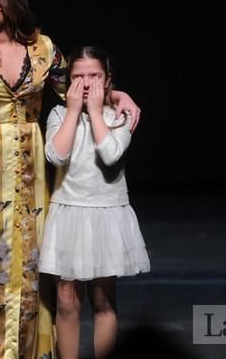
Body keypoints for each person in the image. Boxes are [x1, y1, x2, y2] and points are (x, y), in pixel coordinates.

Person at [0, 0, 141, 359]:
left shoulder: (43, 50)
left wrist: (116, 94)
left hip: (31, 175)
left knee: (31, 271)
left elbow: (74, 87)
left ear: (10, 1)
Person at [39, 46, 150, 359]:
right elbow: (56, 155)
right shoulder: (60, 114)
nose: (86, 82)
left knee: (102, 300)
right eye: (78, 76)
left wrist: (98, 111)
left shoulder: (120, 116)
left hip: (105, 215)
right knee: (66, 300)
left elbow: (110, 153)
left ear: (108, 79)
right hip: (68, 214)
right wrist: (74, 111)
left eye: (94, 76)